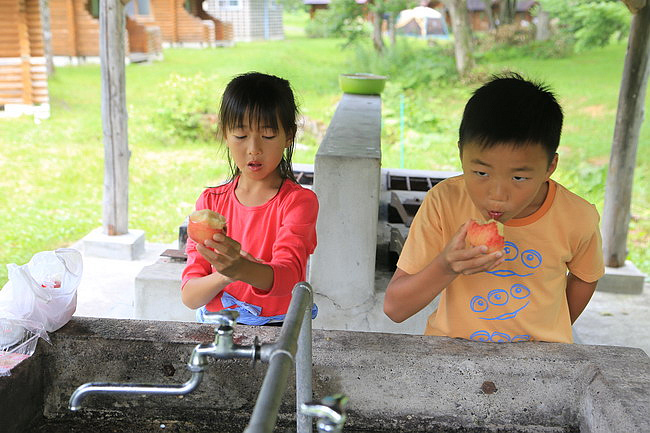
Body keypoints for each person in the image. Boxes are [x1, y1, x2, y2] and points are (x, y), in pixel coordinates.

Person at [383, 73, 604, 343]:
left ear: (550, 167)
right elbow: (395, 308)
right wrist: (446, 266)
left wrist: (555, 326)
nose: (497, 196)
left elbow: (585, 277)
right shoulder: (444, 202)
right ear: (461, 154)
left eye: (519, 178)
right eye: (480, 172)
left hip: (540, 362)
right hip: (453, 356)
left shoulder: (577, 217)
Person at [181, 72, 319, 326]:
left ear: (289, 136)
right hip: (217, 327)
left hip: (278, 330)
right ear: (225, 134)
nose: (254, 148)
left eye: (267, 135)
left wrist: (239, 269)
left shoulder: (298, 203)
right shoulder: (211, 202)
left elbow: (288, 276)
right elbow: (190, 296)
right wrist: (226, 275)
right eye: (241, 136)